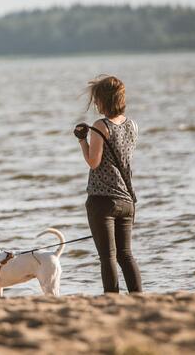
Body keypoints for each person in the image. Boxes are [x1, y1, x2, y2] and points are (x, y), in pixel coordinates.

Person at [73, 75, 143, 293]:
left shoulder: (101, 125)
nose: (95, 103)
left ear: (104, 100)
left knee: (107, 257)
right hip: (126, 199)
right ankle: (138, 296)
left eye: (97, 99)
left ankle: (111, 298)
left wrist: (82, 140)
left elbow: (93, 162)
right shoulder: (132, 125)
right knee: (126, 254)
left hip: (103, 200)